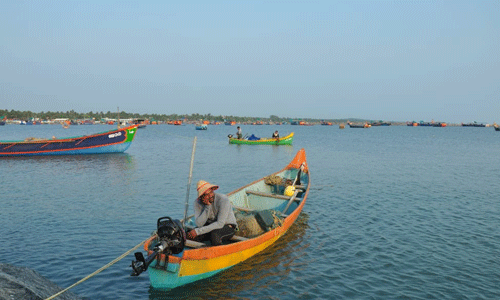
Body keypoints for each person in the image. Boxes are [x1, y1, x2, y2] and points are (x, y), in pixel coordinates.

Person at [186, 180, 237, 246]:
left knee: (214, 235)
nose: (210, 195)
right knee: (189, 234)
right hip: (210, 225)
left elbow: (220, 224)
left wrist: (198, 231)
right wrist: (207, 207)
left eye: (211, 192)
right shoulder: (197, 203)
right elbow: (199, 224)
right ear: (201, 196)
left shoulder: (223, 200)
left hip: (227, 226)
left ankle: (219, 253)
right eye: (207, 194)